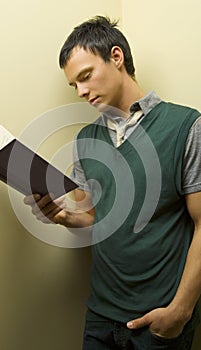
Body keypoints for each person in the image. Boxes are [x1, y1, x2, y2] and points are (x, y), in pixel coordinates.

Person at [24, 15, 201, 350]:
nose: (81, 91)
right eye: (74, 85)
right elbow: (94, 220)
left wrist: (180, 312)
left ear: (116, 57)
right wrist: (62, 216)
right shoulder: (84, 140)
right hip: (100, 319)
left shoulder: (186, 125)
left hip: (159, 323)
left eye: (86, 76)